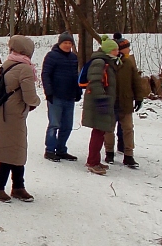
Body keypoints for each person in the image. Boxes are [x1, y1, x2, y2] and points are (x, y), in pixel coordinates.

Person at [0, 35, 42, 202]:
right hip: (14, 115)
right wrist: (37, 102)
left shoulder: (8, 64)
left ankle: (18, 186)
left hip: (3, 113)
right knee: (13, 150)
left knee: (14, 149)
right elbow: (30, 97)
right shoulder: (25, 68)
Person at [107, 38, 150, 168]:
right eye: (126, 47)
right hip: (110, 101)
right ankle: (109, 153)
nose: (129, 49)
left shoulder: (129, 63)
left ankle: (129, 155)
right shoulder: (107, 62)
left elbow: (136, 81)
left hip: (125, 101)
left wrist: (139, 97)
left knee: (128, 129)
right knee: (109, 129)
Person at [82, 36, 120, 175]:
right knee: (98, 131)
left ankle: (94, 160)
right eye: (115, 49)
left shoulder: (108, 62)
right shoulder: (99, 62)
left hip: (104, 101)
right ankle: (92, 162)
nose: (118, 52)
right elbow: (95, 81)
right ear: (109, 50)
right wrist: (102, 98)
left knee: (100, 131)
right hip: (99, 102)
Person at [41, 31, 81, 162]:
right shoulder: (52, 56)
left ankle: (61, 149)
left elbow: (76, 76)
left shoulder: (74, 58)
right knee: (54, 124)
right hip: (56, 96)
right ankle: (50, 150)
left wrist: (78, 91)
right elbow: (45, 74)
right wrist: (49, 92)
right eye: (65, 42)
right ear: (60, 43)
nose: (68, 45)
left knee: (67, 125)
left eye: (70, 43)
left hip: (69, 96)